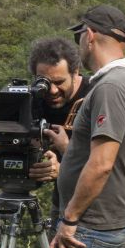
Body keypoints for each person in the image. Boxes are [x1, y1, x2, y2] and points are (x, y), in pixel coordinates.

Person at [23, 5, 125, 248]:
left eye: (80, 35)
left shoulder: (109, 88)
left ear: (89, 35)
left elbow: (103, 162)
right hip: (111, 217)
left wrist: (70, 219)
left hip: (92, 222)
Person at [26, 37, 92, 216]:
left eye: (59, 82)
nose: (53, 91)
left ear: (75, 72)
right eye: (46, 83)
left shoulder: (95, 95)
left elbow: (108, 163)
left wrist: (65, 157)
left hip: (96, 212)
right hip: (61, 204)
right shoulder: (36, 99)